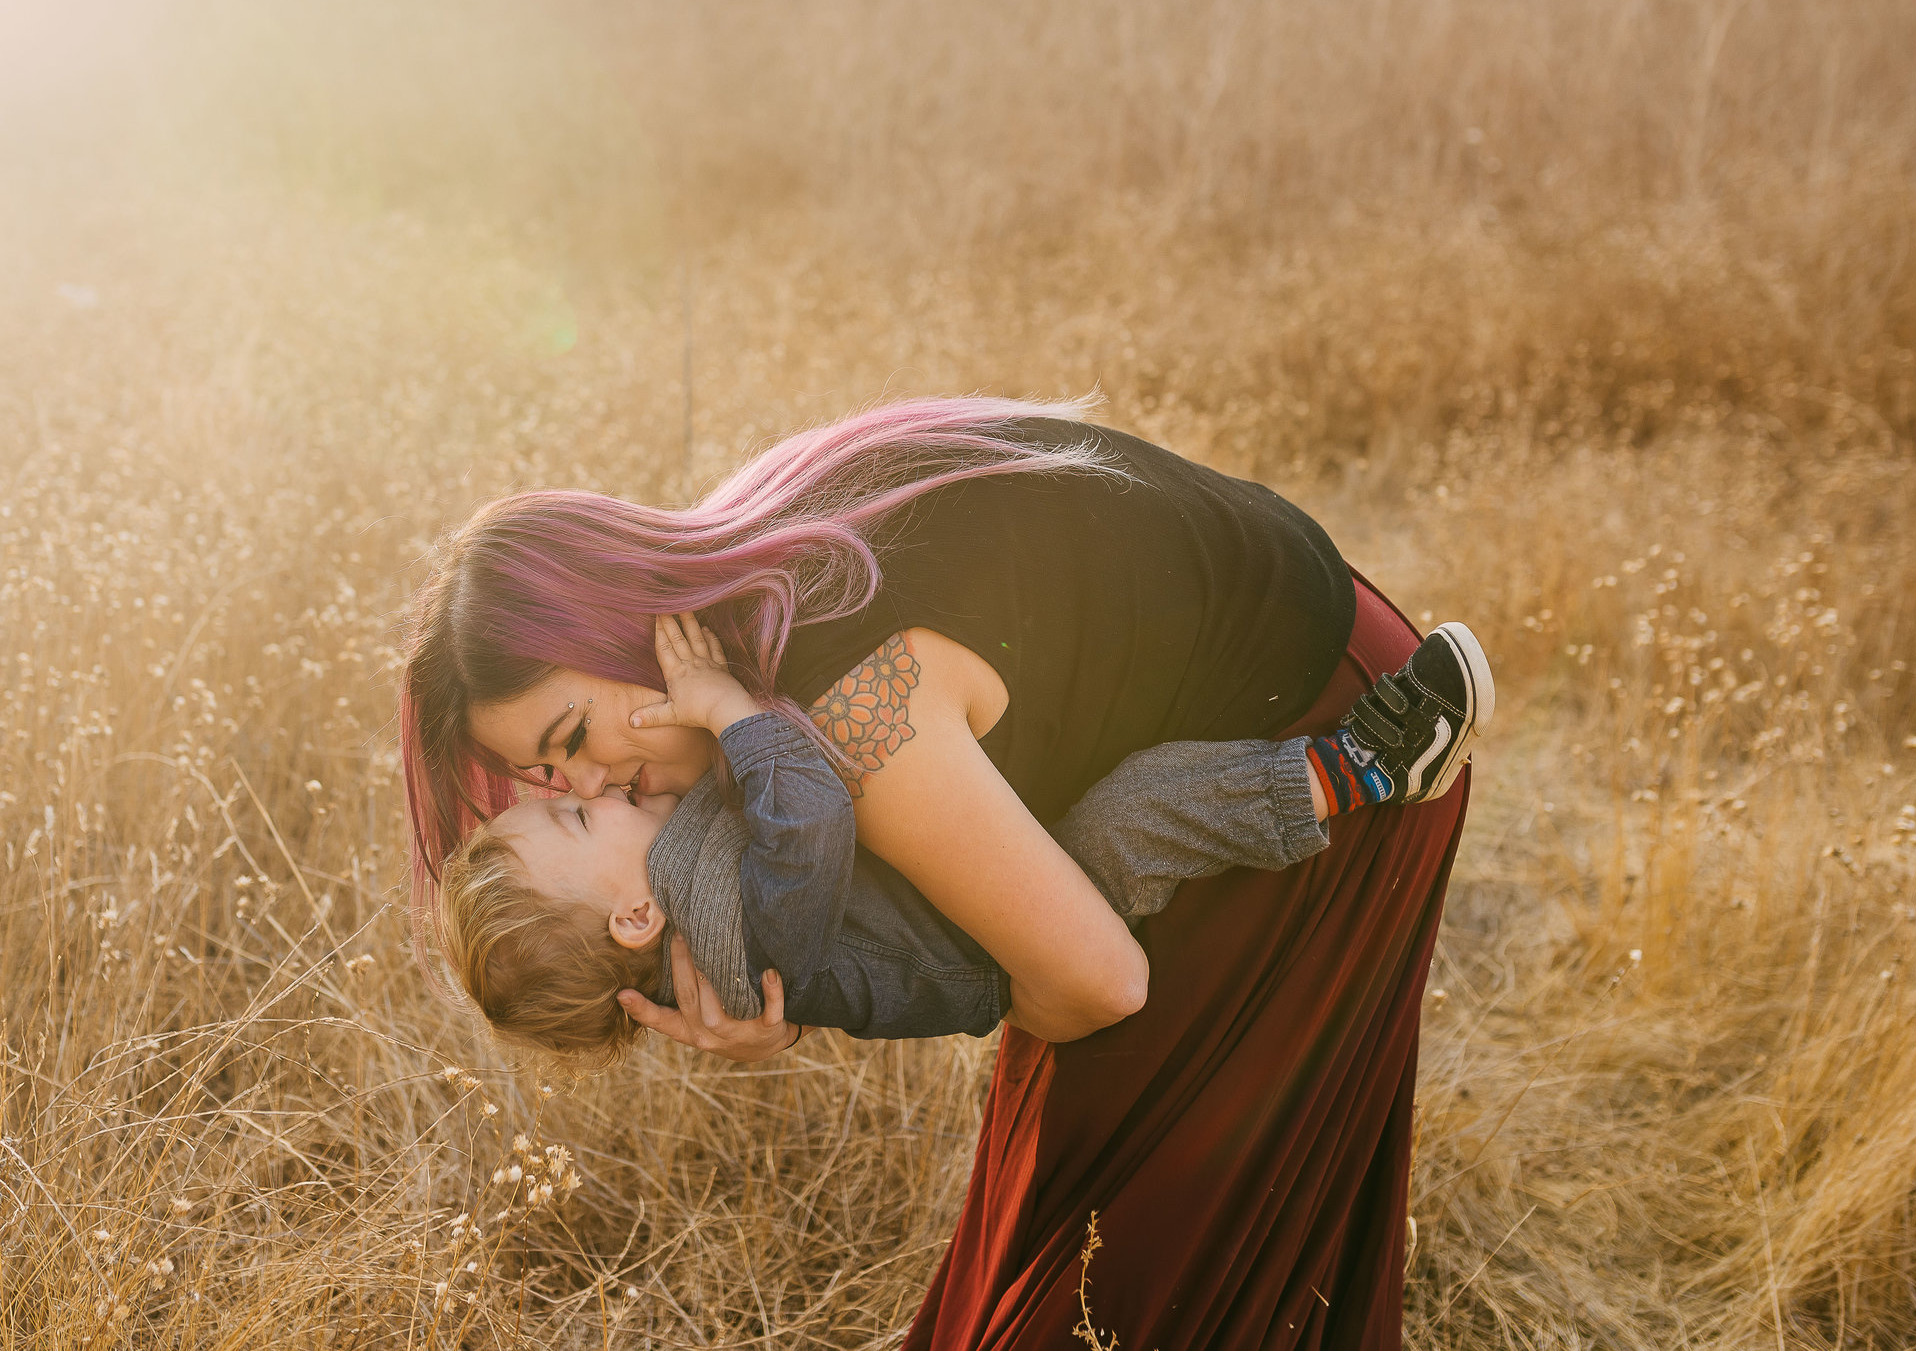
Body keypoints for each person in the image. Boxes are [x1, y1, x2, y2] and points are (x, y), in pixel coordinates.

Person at [401, 395, 1479, 1348]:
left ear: (625, 619)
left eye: (579, 731)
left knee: (1133, 1256)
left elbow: (1097, 982)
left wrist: (848, 967)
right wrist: (778, 970)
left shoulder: (852, 717)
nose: (593, 780)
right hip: (1307, 656)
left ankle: (1359, 770)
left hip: (1326, 724)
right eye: (550, 775)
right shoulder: (763, 562)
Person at [433, 609, 1490, 1054]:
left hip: (954, 916)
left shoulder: (694, 900)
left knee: (1133, 796)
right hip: (983, 951)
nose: (595, 787)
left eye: (569, 777)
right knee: (1140, 810)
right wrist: (726, 707)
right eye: (572, 809)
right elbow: (806, 816)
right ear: (632, 912)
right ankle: (1367, 763)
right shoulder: (729, 927)